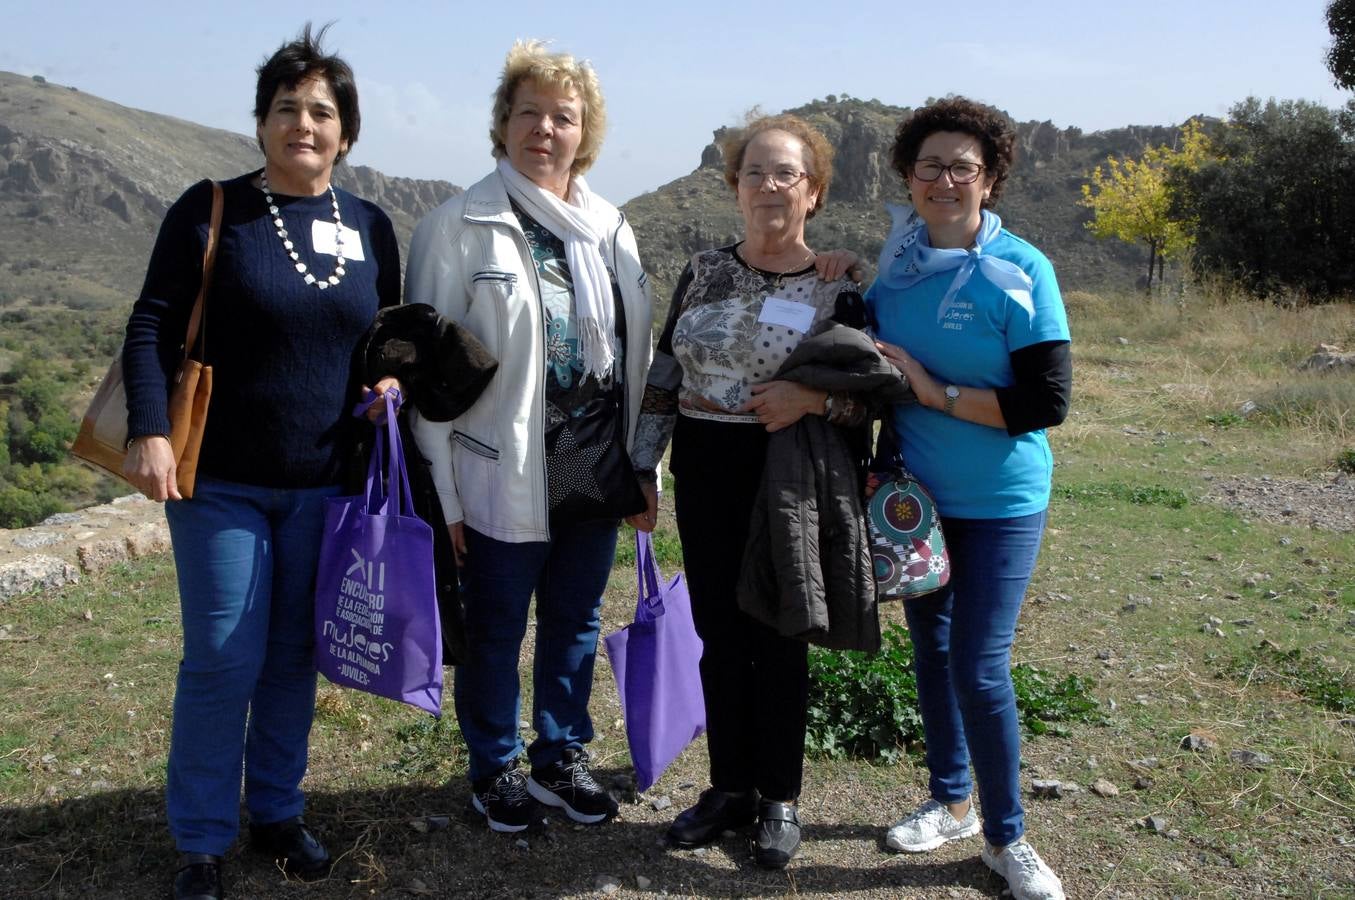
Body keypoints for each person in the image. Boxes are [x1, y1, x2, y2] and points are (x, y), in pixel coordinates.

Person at [120, 24, 401, 900]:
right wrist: (148, 428)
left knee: (290, 659)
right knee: (220, 655)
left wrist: (390, 382)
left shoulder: (370, 226)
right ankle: (201, 840)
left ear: (345, 134)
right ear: (260, 122)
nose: (303, 125)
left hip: (325, 486)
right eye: (287, 108)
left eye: (321, 112)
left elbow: (382, 339)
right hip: (220, 481)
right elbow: (150, 325)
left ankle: (277, 811)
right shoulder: (213, 209)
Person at [406, 40, 651, 835]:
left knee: (575, 621)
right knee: (496, 626)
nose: (544, 129)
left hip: (592, 462)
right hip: (498, 469)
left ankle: (560, 755)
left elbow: (638, 358)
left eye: (562, 117)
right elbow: (428, 378)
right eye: (529, 114)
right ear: (502, 125)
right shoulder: (458, 224)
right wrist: (441, 497)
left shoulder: (609, 227)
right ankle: (494, 767)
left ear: (586, 133)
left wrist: (644, 466)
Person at [629, 114, 871, 869]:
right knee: (718, 633)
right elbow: (665, 372)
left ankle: (779, 799)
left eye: (786, 174)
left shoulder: (839, 287)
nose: (769, 186)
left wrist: (812, 402)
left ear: (814, 191)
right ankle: (728, 787)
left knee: (779, 632)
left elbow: (871, 398)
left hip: (787, 473)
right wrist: (642, 466)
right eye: (754, 173)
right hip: (705, 466)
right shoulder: (701, 269)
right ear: (734, 187)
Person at [865, 97, 1071, 900]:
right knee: (932, 652)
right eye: (929, 166)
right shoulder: (896, 266)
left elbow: (1042, 403)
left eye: (963, 168)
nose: (944, 180)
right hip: (916, 503)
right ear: (907, 176)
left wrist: (930, 388)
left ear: (989, 180)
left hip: (1001, 497)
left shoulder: (1022, 270)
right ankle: (950, 800)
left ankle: (1005, 836)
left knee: (979, 666)